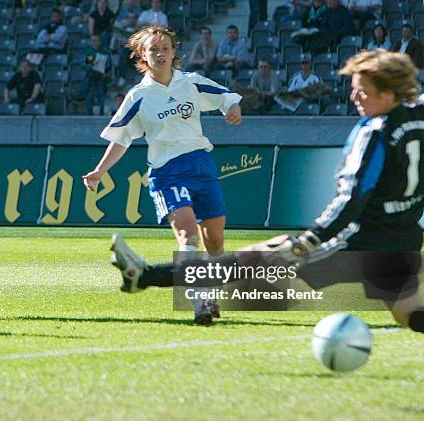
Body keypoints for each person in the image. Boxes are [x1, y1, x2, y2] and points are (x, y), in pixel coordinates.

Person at [110, 49, 424, 333]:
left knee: (252, 259)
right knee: (410, 313)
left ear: (388, 93)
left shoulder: (375, 132)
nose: (355, 96)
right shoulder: (416, 116)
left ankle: (146, 276)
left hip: (358, 239)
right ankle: (146, 275)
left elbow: (352, 197)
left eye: (363, 91)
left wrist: (312, 239)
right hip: (402, 237)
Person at [82, 26, 242, 324]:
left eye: (165, 47)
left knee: (216, 243)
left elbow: (227, 98)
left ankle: (211, 295)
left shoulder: (191, 83)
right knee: (187, 234)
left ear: (173, 52)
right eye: (153, 49)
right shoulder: (138, 96)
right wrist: (100, 170)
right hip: (167, 172)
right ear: (142, 55)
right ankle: (198, 305)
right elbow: (121, 138)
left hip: (201, 165)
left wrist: (233, 109)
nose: (160, 53)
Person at [82, 33, 112, 115]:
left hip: (101, 77)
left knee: (101, 96)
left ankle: (101, 113)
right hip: (91, 76)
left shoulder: (105, 51)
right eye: (93, 41)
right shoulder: (89, 52)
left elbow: (109, 64)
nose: (95, 42)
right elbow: (85, 64)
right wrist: (91, 65)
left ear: (100, 41)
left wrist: (106, 72)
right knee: (90, 96)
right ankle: (89, 114)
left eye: (97, 40)